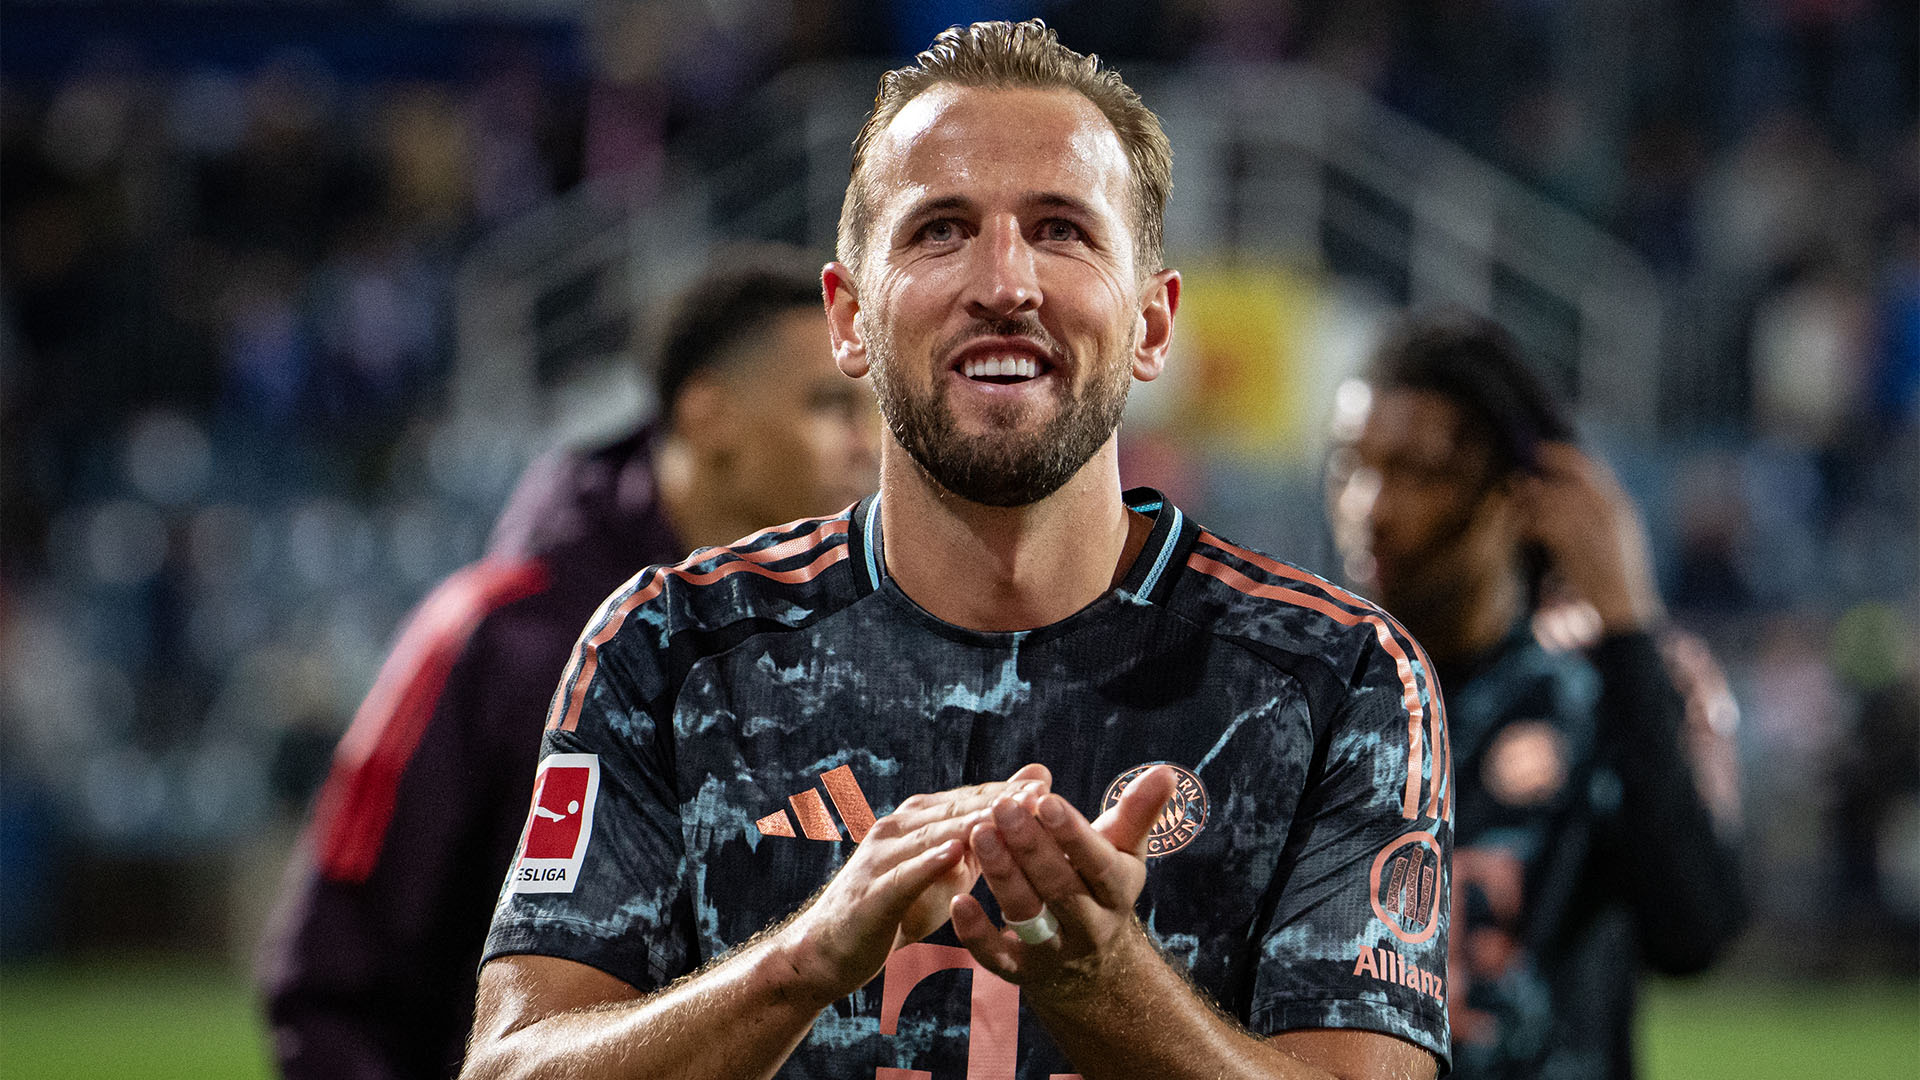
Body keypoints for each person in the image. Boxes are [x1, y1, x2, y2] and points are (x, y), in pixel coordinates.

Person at [465, 20, 1450, 1080]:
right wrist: (799, 963)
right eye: (940, 230)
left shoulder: (1336, 677)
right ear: (849, 321)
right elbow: (515, 1064)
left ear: (1155, 326)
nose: (1003, 283)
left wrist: (1107, 986)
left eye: (1062, 229)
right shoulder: (665, 649)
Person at [257, 248, 880, 1080]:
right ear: (708, 416)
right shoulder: (493, 637)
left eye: (876, 411)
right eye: (832, 405)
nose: (869, 446)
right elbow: (333, 979)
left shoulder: (872, 636)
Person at [1323, 311, 1747, 1079]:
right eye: (1352, 465)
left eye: (1420, 470)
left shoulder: (1598, 695)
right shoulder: (1312, 698)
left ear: (1519, 495)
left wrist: (1627, 627)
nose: (1370, 505)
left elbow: (1694, 933)